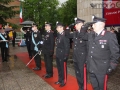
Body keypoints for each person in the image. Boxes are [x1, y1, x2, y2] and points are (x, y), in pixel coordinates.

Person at [86, 16, 120, 90]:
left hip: (102, 69)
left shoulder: (110, 36)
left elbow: (115, 53)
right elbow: (89, 49)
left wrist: (111, 66)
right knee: (95, 87)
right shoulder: (91, 35)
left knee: (102, 88)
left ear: (101, 25)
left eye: (94, 24)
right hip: (92, 67)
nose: (92, 26)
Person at [67, 18, 87, 90]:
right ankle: (80, 87)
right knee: (78, 73)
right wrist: (68, 27)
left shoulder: (85, 34)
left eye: (76, 24)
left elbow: (88, 47)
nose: (75, 25)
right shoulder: (75, 33)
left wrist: (86, 59)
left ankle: (84, 88)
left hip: (82, 58)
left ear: (81, 25)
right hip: (75, 57)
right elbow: (67, 35)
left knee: (82, 74)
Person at [54, 22, 70, 87]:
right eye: (57, 27)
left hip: (62, 54)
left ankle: (64, 81)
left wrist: (66, 55)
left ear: (61, 27)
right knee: (59, 68)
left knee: (63, 69)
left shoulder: (65, 35)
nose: (56, 29)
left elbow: (67, 46)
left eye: (57, 27)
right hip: (58, 54)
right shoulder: (59, 35)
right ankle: (60, 79)